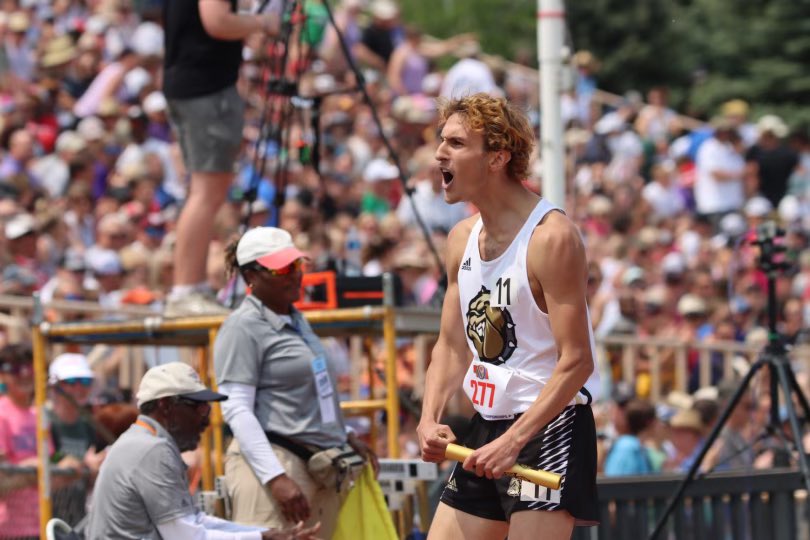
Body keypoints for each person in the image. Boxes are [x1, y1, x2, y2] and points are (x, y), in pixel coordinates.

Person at [417, 94, 601, 539]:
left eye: (457, 143)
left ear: (498, 157)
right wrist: (428, 417)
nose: (440, 152)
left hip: (548, 426)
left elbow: (577, 361)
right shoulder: (461, 238)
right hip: (487, 424)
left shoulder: (551, 237)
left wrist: (515, 439)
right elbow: (451, 344)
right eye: (442, 140)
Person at [214, 226, 378, 538]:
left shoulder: (296, 320)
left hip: (317, 465)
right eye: (282, 269)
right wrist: (275, 478)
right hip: (278, 462)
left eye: (297, 265)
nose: (294, 275)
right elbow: (236, 408)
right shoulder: (242, 326)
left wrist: (343, 434)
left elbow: (315, 392)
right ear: (251, 276)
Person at [84, 361, 320, 539]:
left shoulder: (144, 441)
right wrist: (260, 537)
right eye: (198, 407)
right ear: (166, 406)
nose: (206, 419)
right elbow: (184, 536)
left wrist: (263, 533)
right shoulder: (151, 449)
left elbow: (193, 522)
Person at [162, 0, 280, 317]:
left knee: (204, 192)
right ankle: (186, 290)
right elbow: (217, 21)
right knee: (206, 192)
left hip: (195, 85)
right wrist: (262, 22)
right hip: (206, 88)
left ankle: (191, 286)